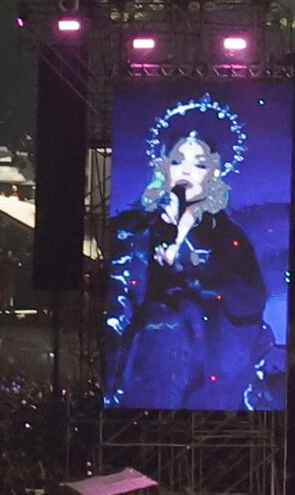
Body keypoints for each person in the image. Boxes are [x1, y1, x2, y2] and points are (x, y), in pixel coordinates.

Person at [105, 98, 274, 411]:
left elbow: (250, 297)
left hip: (206, 347)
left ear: (213, 172)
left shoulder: (228, 236)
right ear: (164, 167)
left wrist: (199, 275)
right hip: (147, 348)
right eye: (178, 161)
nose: (186, 171)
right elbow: (117, 284)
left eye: (199, 163)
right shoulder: (137, 226)